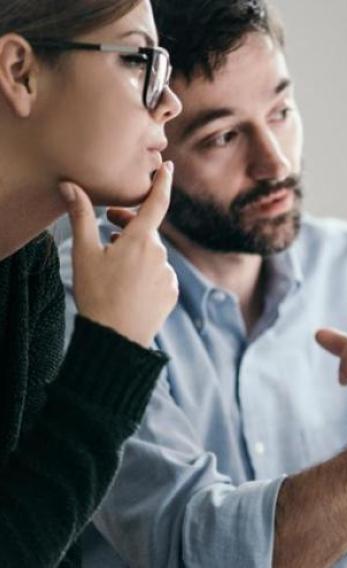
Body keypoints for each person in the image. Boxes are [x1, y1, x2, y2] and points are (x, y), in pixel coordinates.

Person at [59, 1, 347, 567]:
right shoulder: (87, 297)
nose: (274, 164)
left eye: (282, 110)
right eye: (222, 137)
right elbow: (194, 548)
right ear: (150, 145)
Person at [0, 0, 181, 566]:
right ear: (20, 73)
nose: (171, 102)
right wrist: (113, 351)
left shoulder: (27, 271)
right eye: (139, 59)